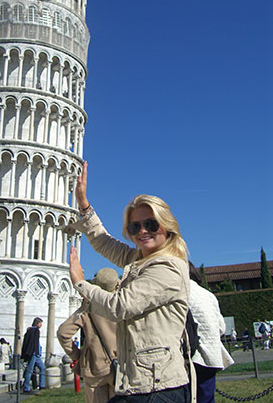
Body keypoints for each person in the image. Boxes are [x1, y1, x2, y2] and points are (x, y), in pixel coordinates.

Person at [68, 161, 192, 403]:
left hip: (158, 388)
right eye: (135, 226)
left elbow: (120, 306)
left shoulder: (168, 267)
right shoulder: (139, 260)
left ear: (166, 226)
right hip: (138, 384)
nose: (142, 231)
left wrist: (81, 283)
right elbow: (105, 243)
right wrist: (84, 206)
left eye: (151, 224)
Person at [58, 268, 119, 403]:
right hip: (120, 366)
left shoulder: (89, 306)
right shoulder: (123, 304)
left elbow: (63, 333)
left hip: (94, 367)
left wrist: (78, 356)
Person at [188, 263, 234, 403]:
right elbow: (221, 327)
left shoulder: (179, 291)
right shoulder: (209, 295)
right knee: (207, 397)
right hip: (212, 355)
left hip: (192, 355)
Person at [21, 317, 46, 393]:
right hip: (34, 353)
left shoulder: (30, 331)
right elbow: (34, 343)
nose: (41, 325)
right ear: (37, 323)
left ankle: (42, 385)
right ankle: (26, 387)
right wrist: (34, 352)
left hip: (36, 354)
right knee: (29, 370)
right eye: (40, 323)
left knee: (43, 368)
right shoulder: (35, 331)